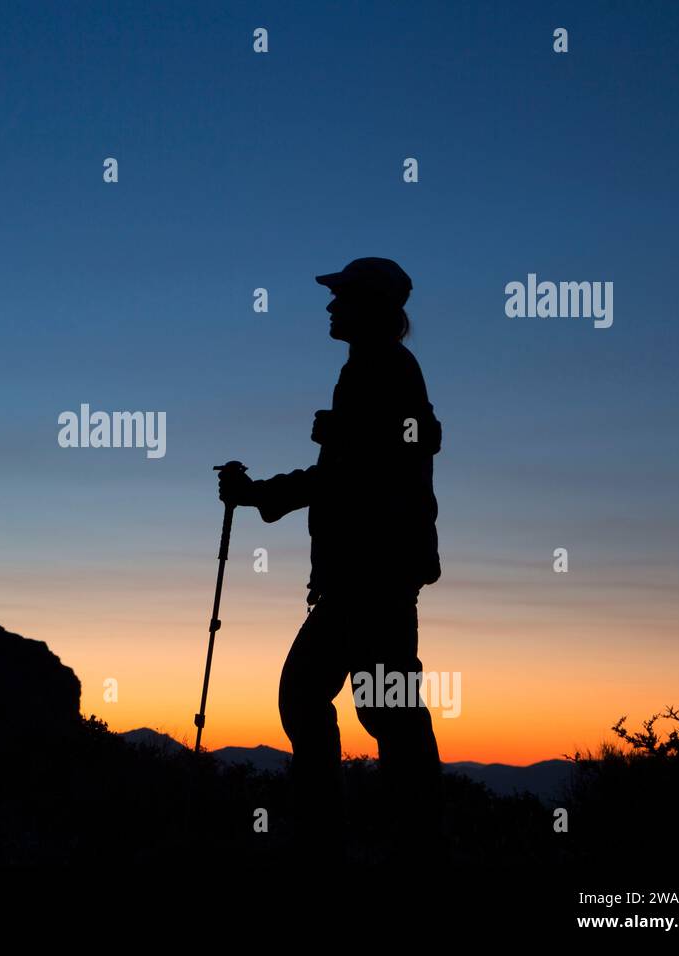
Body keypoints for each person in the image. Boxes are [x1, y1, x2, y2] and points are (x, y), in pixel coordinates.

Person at [218, 257, 444, 862]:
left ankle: (335, 839)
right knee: (385, 709)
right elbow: (353, 468)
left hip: (370, 577)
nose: (329, 307)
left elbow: (393, 452)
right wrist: (270, 489)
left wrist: (266, 491)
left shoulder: (385, 368)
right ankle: (407, 838)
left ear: (366, 306)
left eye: (340, 297)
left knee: (328, 699)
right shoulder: (372, 368)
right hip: (375, 575)